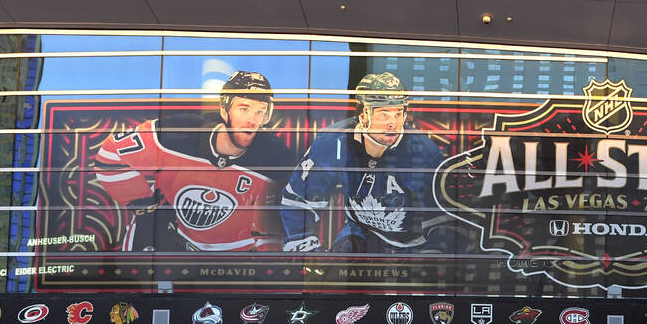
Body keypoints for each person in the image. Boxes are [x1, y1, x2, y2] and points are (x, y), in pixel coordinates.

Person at [94, 70, 291, 251]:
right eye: (244, 108)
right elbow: (111, 155)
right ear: (225, 110)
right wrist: (146, 207)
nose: (252, 120)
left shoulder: (278, 157)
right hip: (170, 245)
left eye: (260, 111)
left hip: (233, 261)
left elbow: (278, 225)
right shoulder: (180, 134)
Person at [279, 72, 449, 253]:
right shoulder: (333, 141)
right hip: (358, 234)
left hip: (411, 245)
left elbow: (443, 219)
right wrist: (308, 249)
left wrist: (432, 256)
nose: (393, 123)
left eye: (398, 113)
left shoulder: (424, 153)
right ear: (363, 115)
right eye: (384, 114)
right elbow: (298, 200)